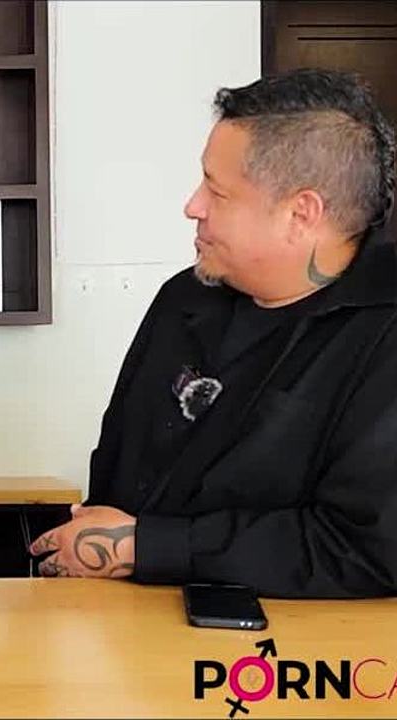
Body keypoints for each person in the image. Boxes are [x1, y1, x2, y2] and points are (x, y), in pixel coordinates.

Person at [30, 69, 397, 598]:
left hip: (292, 645)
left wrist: (145, 546)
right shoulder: (185, 298)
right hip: (125, 620)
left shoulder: (382, 333)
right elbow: (117, 468)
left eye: (217, 192)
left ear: (301, 213)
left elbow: (365, 548)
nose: (192, 206)